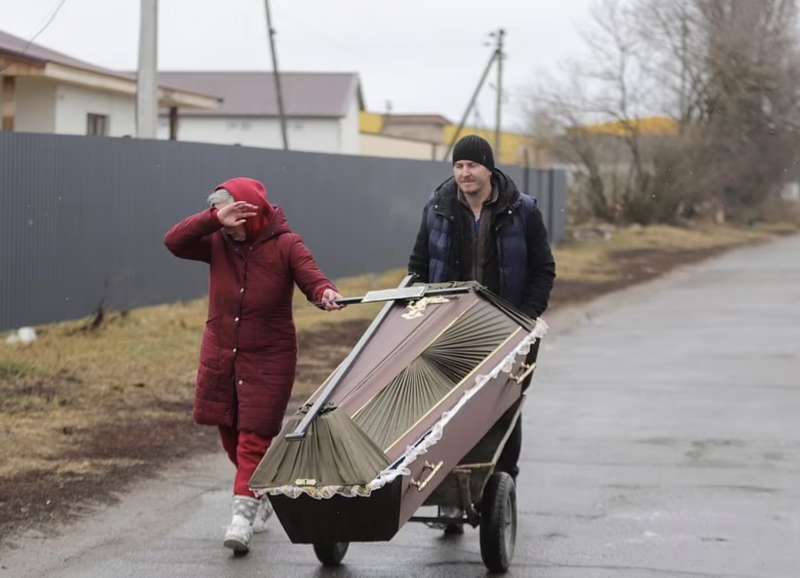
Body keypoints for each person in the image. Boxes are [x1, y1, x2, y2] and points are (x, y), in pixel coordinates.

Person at [164, 177, 343, 554]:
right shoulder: (216, 240)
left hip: (269, 357)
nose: (226, 220)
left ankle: (241, 518)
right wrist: (213, 219)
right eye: (221, 212)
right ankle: (260, 491)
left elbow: (313, 278)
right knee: (229, 431)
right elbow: (174, 241)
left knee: (253, 437)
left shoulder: (286, 244)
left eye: (231, 212)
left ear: (250, 212)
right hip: (222, 354)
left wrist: (325, 293)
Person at [408, 135, 555, 532]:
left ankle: (501, 489)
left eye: (472, 165)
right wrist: (417, 310)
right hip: (449, 327)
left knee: (502, 407)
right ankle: (450, 497)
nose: (464, 173)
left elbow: (543, 269)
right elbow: (419, 265)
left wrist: (525, 318)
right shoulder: (438, 208)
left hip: (507, 326)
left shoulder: (522, 211)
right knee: (445, 412)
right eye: (458, 166)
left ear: (488, 168)